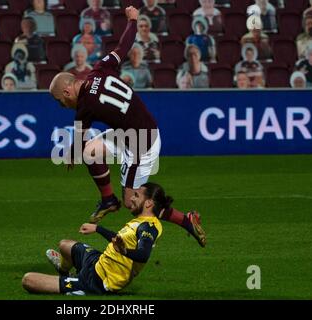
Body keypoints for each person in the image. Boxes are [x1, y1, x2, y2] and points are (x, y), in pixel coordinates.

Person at [48, 6, 206, 247]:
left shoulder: (85, 107)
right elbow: (123, 47)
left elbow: (79, 137)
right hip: (131, 133)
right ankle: (108, 200)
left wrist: (71, 154)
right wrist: (132, 21)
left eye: (61, 101)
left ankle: (186, 220)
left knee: (135, 204)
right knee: (92, 152)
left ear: (69, 90)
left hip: (142, 144)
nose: (63, 105)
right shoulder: (98, 70)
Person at [23, 182, 174, 295]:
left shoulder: (149, 228)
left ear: (148, 203)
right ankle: (65, 273)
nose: (131, 199)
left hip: (98, 281)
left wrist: (124, 251)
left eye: (136, 195)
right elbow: (119, 240)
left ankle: (74, 283)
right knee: (64, 245)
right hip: (98, 262)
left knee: (28, 280)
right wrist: (97, 228)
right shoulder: (140, 222)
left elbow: (143, 255)